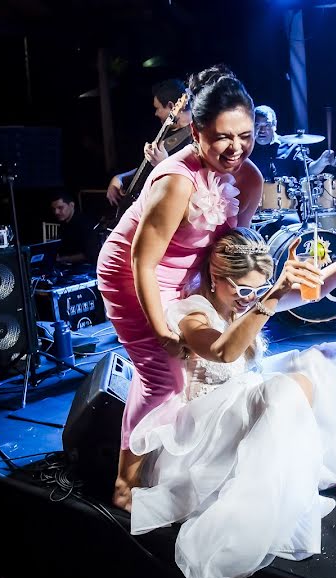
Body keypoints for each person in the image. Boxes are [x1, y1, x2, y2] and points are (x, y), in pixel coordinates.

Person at [127, 226, 336, 578]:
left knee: (326, 362)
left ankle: (327, 469)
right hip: (207, 431)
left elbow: (316, 290)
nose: (249, 298)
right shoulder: (190, 312)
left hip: (240, 398)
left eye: (257, 288)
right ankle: (270, 487)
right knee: (287, 390)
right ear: (215, 277)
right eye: (243, 290)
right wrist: (270, 297)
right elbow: (223, 352)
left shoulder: (250, 297)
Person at [96, 65, 263, 510]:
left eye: (245, 135)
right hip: (132, 277)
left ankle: (159, 468)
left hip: (185, 275)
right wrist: (164, 330)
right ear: (197, 130)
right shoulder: (176, 181)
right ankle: (124, 484)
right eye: (223, 137)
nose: (236, 149)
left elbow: (225, 249)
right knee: (164, 379)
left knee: (182, 375)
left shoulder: (250, 179)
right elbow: (141, 261)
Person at [106, 79, 194, 207]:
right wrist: (120, 177)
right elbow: (147, 167)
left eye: (157, 108)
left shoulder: (196, 138)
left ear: (171, 106)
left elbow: (190, 184)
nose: (155, 113)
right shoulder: (167, 132)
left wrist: (164, 164)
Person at [248, 105, 335, 181]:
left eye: (267, 125)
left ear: (275, 126)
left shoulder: (289, 146)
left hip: (282, 198)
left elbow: (308, 170)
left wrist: (321, 162)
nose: (262, 130)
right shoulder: (246, 148)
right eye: (257, 125)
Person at [50, 190, 100, 265]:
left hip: (85, 267)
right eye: (54, 209)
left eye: (60, 208)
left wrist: (63, 259)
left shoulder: (86, 223)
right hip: (67, 266)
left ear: (71, 205)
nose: (56, 212)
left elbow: (89, 254)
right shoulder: (63, 223)